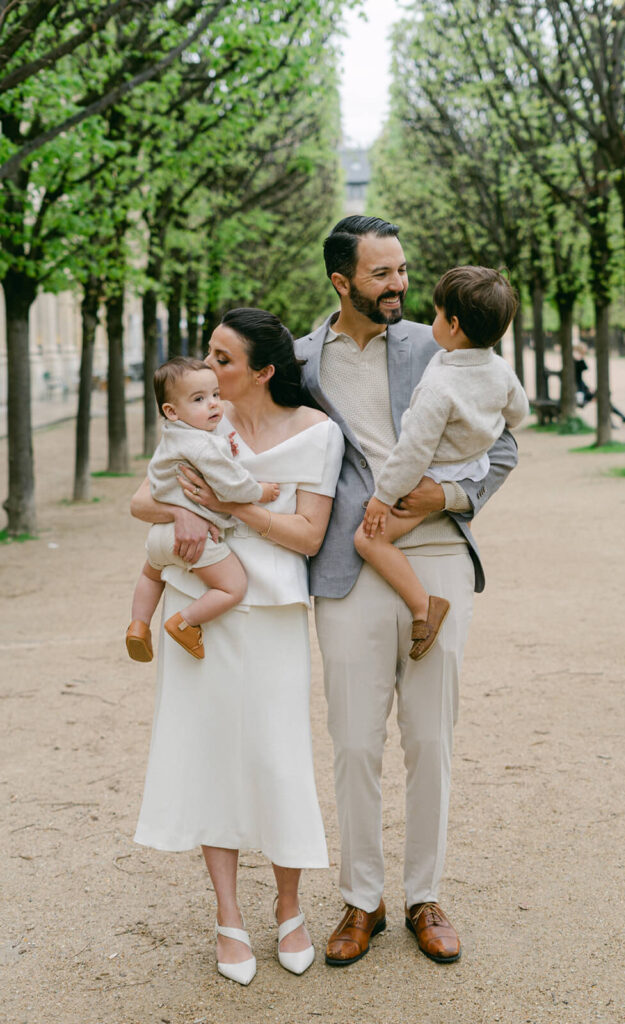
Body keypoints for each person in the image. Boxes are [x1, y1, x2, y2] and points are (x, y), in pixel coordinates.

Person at [294, 215, 520, 966]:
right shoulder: (298, 362)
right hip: (346, 566)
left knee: (430, 738)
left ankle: (425, 895)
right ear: (341, 281)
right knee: (354, 743)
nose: (398, 285)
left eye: (401, 271)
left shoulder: (444, 343)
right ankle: (362, 900)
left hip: (439, 556)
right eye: (381, 274)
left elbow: (507, 442)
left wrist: (449, 499)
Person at [130, 308, 345, 985]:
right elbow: (142, 500)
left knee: (279, 758)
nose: (210, 369)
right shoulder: (197, 425)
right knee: (211, 758)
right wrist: (185, 510)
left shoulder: (318, 434)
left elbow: (307, 537)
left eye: (223, 359)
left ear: (262, 371)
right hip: (203, 609)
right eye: (210, 356)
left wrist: (234, 508)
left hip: (274, 608)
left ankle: (289, 907)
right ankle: (227, 915)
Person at [355, 266, 528, 661]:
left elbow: (413, 452)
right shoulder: (499, 368)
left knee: (367, 539)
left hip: (434, 474)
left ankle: (423, 606)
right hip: (472, 466)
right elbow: (518, 413)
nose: (430, 321)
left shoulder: (440, 387)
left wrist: (383, 497)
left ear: (453, 324)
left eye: (435, 314)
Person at [125, 356, 279, 662]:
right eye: (199, 399)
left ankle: (138, 625)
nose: (213, 405)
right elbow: (232, 484)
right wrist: (260, 491)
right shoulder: (204, 445)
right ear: (171, 411)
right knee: (232, 587)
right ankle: (185, 622)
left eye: (215, 395)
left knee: (150, 577)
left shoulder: (171, 438)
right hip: (195, 540)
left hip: (158, 537)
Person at [573, 341, 625, 424]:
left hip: (582, 390)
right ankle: (616, 420)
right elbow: (582, 372)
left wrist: (588, 388)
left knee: (603, 397)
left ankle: (620, 419)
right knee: (602, 397)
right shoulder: (577, 361)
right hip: (580, 393)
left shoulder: (576, 361)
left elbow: (579, 379)